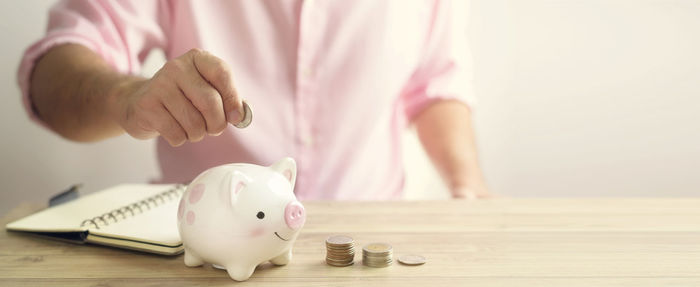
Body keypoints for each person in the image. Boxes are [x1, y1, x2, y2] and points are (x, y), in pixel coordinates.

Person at [18, 0, 490, 200]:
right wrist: (127, 96)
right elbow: (54, 68)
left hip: (370, 246)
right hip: (203, 256)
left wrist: (467, 189)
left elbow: (434, 84)